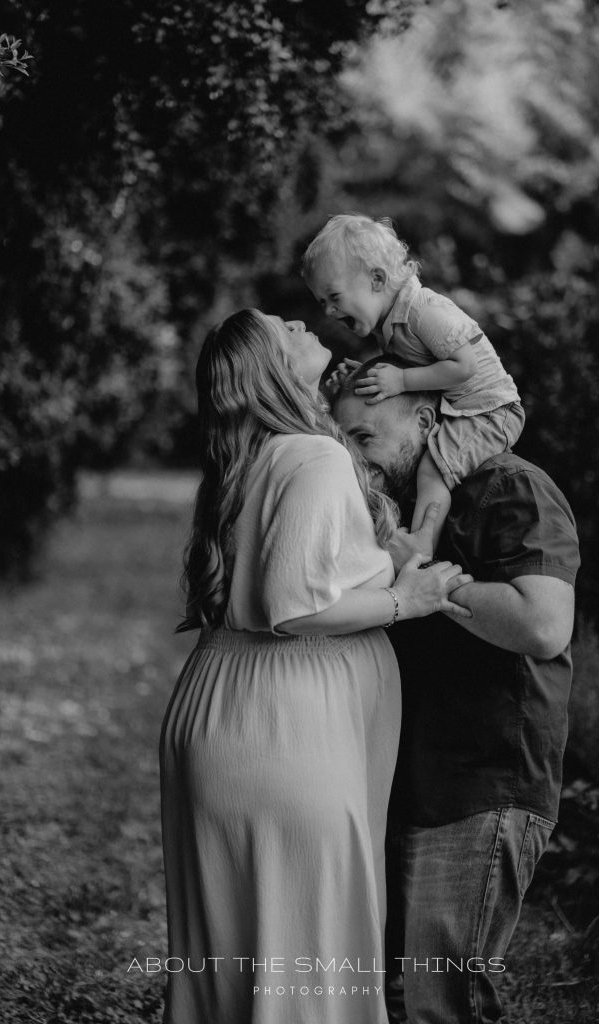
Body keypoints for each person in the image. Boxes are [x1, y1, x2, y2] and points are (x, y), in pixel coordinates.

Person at [159, 311, 473, 1024]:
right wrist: (408, 600)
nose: (301, 320)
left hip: (222, 709)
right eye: (284, 326)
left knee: (236, 961)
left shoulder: (248, 459)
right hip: (284, 730)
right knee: (308, 957)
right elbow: (294, 605)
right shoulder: (313, 456)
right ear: (271, 367)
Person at [332, 356, 581, 1024]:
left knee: (445, 1004)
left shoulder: (510, 487)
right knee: (393, 999)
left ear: (424, 420)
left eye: (365, 437)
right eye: (343, 442)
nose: (356, 459)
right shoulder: (392, 511)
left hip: (483, 780)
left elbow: (542, 624)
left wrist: (427, 578)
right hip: (406, 781)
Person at [302, 214, 524, 546]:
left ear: (377, 279)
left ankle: (421, 546)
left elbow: (465, 365)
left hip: (490, 410)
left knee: (432, 470)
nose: (329, 311)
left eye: (334, 297)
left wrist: (402, 380)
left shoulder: (422, 311)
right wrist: (360, 377)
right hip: (457, 408)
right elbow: (410, 369)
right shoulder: (387, 323)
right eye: (322, 302)